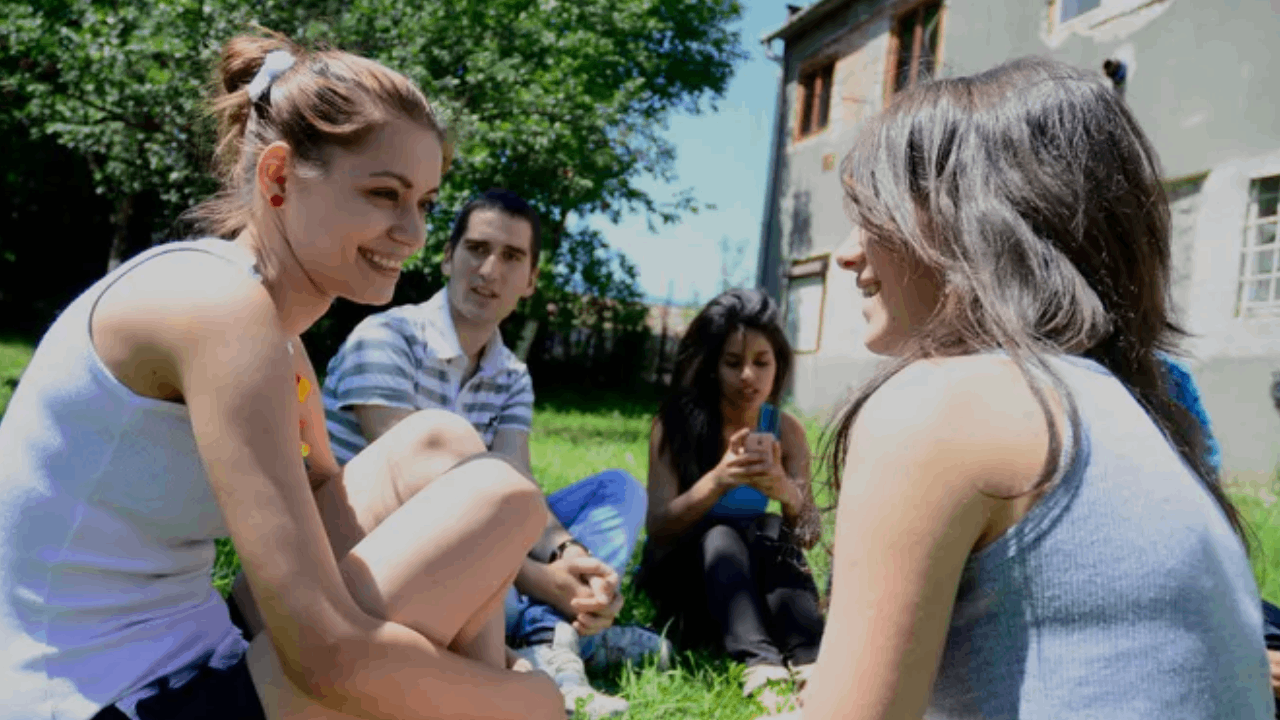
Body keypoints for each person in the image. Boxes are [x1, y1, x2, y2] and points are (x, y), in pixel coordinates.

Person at [0, 31, 567, 720]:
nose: (414, 234)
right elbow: (324, 655)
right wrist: (527, 700)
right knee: (503, 500)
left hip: (187, 648)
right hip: (99, 700)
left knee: (439, 445)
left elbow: (326, 490)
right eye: (384, 194)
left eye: (423, 203)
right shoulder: (219, 312)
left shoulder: (267, 327)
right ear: (276, 178)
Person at [769, 57, 1275, 719]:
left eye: (872, 212)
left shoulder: (945, 402)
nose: (846, 253)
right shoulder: (1140, 414)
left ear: (969, 224)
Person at [319, 189, 671, 719]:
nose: (490, 269)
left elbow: (518, 482)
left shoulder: (511, 374)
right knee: (490, 560)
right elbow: (415, 505)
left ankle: (550, 632)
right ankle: (560, 634)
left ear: (530, 281)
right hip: (381, 551)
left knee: (618, 491)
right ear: (447, 257)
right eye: (477, 249)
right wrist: (539, 580)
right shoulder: (386, 339)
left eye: (511, 258)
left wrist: (568, 557)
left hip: (475, 543)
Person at [636, 288, 824, 713]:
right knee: (722, 531)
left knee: (774, 527)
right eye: (732, 363)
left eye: (761, 363)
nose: (747, 377)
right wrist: (718, 481)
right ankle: (760, 664)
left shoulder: (787, 431)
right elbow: (659, 527)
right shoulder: (675, 425)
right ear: (712, 367)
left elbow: (808, 536)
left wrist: (784, 491)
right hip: (688, 580)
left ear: (778, 366)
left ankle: (810, 657)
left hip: (753, 585)